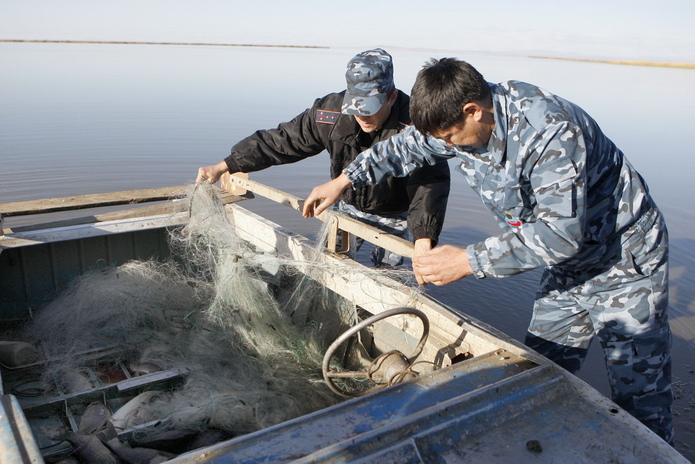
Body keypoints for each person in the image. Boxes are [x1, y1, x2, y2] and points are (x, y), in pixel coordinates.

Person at [302, 58, 673, 444]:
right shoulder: (452, 121)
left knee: (639, 398)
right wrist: (344, 180)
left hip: (625, 264)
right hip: (565, 269)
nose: (445, 145)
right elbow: (401, 149)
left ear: (473, 111)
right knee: (540, 366)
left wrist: (468, 260)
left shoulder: (549, 132)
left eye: (449, 137)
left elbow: (560, 235)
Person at [195, 48, 450, 267]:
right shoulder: (330, 112)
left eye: (370, 108)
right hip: (346, 206)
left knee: (389, 276)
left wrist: (424, 238)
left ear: (392, 97)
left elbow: (430, 183)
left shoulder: (418, 123)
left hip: (396, 214)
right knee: (332, 261)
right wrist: (225, 165)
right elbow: (282, 140)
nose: (362, 116)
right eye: (356, 107)